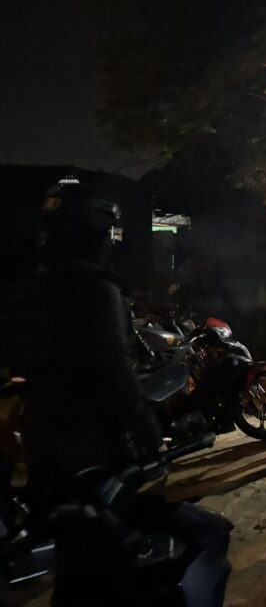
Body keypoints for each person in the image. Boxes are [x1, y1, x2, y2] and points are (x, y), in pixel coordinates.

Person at [19, 183, 162, 487]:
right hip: (91, 438)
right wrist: (149, 430)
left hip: (40, 435)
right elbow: (116, 367)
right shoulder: (96, 289)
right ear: (92, 236)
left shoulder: (33, 288)